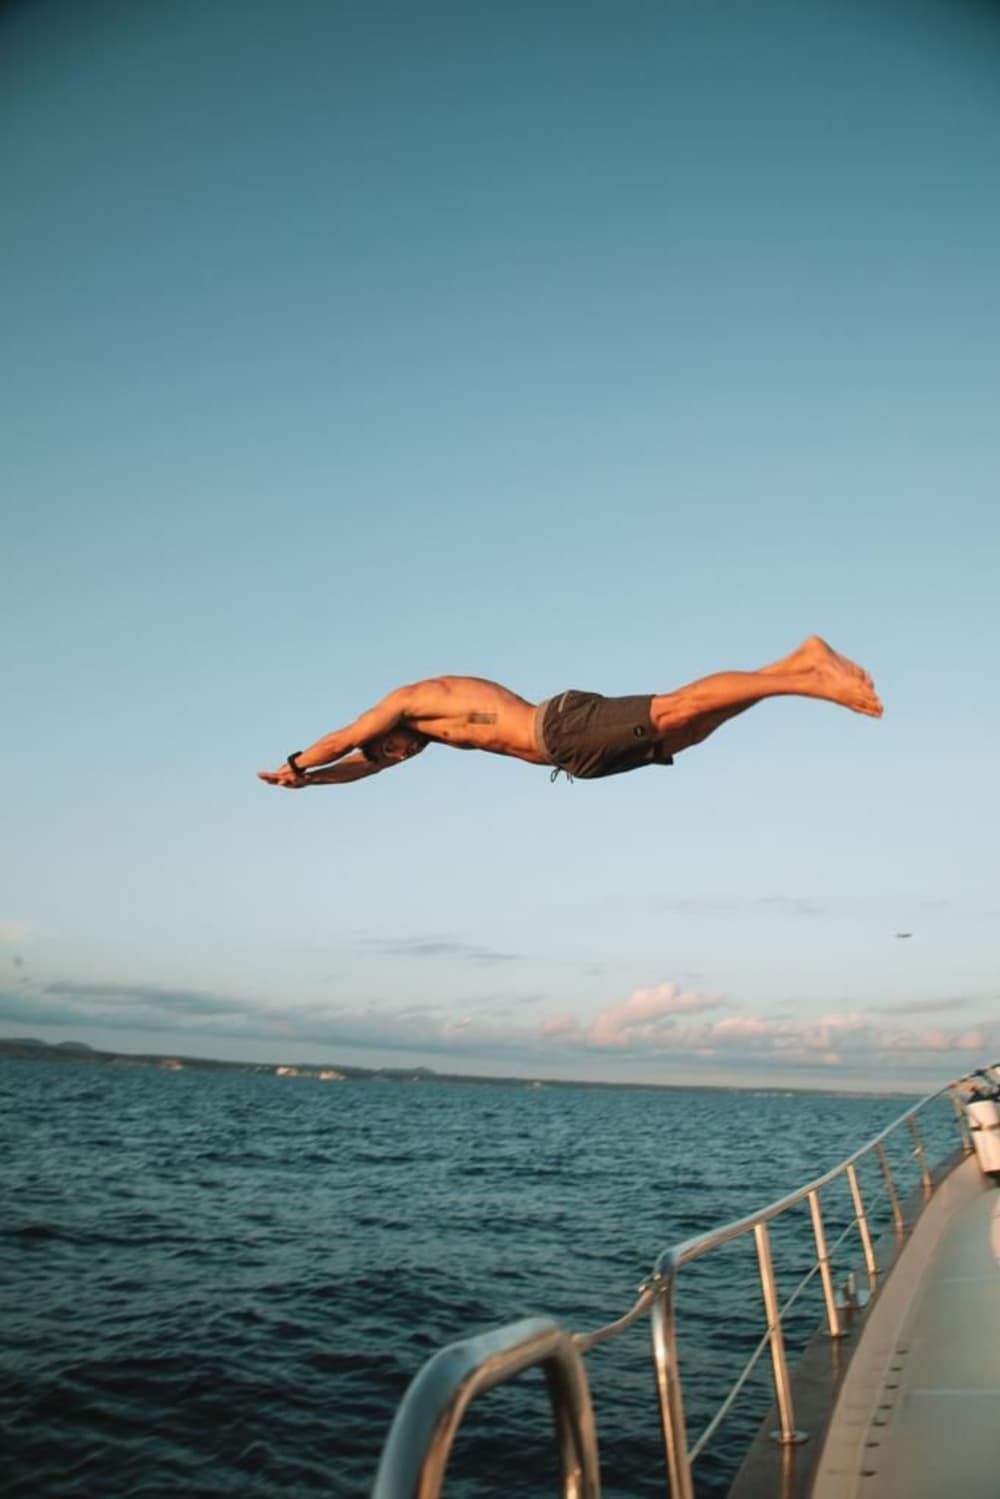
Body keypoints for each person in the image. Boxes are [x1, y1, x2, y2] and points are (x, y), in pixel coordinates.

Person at [257, 635, 881, 790]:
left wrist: (294, 763)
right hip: (572, 756)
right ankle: (792, 669)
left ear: (390, 732)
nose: (396, 755)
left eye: (392, 748)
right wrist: (309, 784)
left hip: (560, 727)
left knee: (678, 707)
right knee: (684, 734)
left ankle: (809, 677)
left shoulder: (407, 701)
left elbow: (346, 740)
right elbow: (361, 766)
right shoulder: (424, 734)